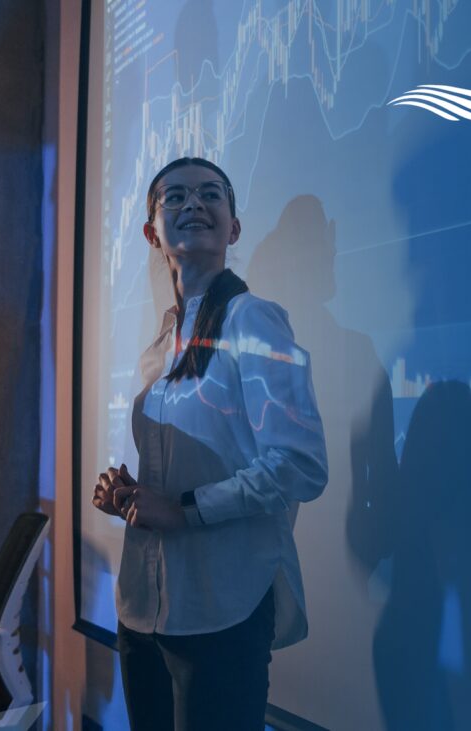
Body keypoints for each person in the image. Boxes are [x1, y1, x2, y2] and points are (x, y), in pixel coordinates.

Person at [91, 157, 329, 730]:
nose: (193, 204)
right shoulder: (161, 344)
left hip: (221, 609)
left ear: (234, 228)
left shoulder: (255, 321)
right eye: (174, 197)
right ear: (152, 233)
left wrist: (184, 510)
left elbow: (301, 465)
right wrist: (129, 495)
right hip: (141, 609)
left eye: (210, 195)